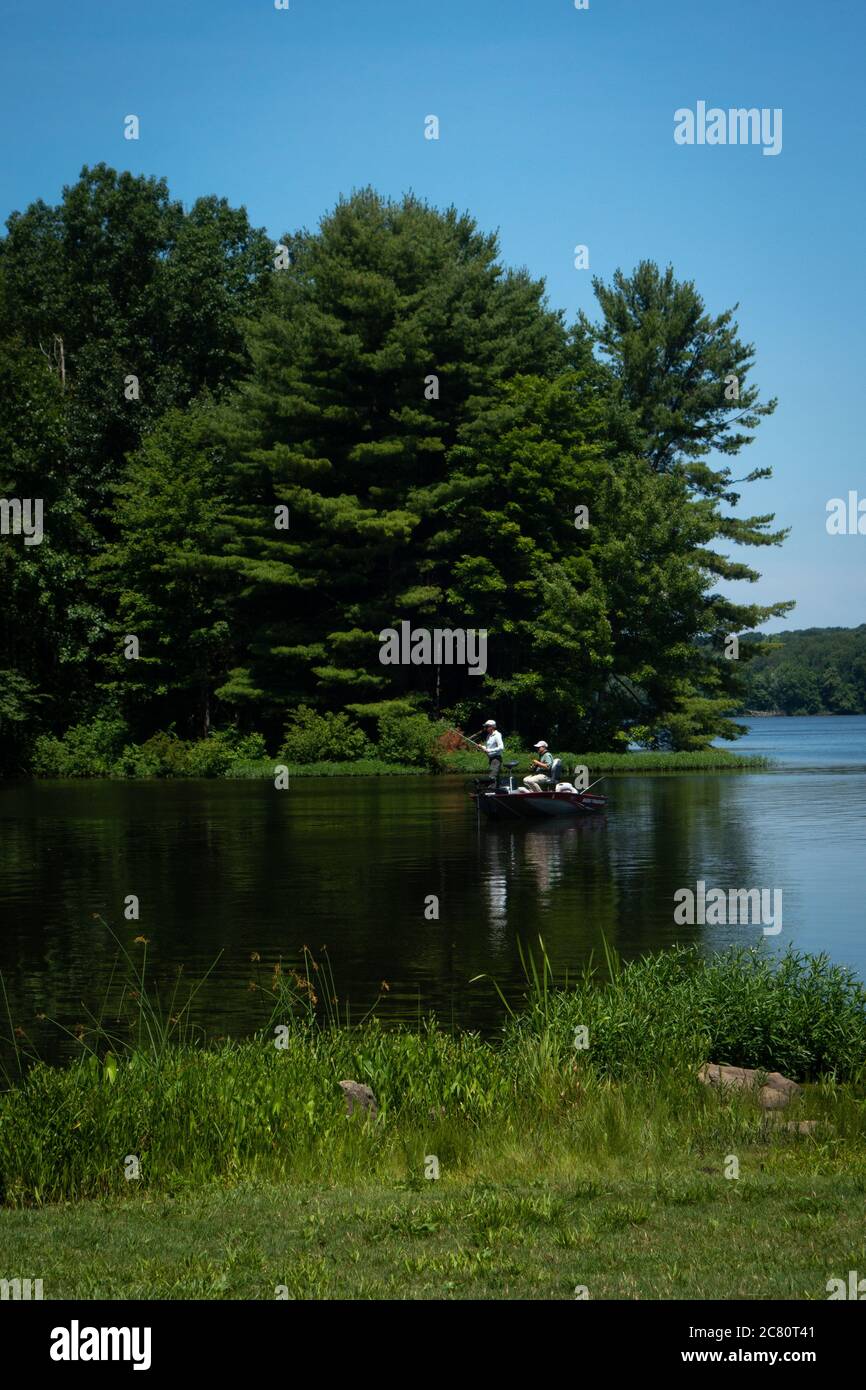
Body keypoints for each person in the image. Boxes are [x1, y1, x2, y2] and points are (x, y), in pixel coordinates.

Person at [475, 718, 504, 785]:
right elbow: (487, 748)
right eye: (485, 726)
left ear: (492, 727)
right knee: (495, 777)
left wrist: (489, 750)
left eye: (487, 726)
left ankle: (491, 793)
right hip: (491, 759)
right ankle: (497, 792)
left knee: (492, 777)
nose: (485, 728)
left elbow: (501, 747)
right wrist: (481, 747)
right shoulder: (488, 736)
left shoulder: (497, 735)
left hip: (496, 759)